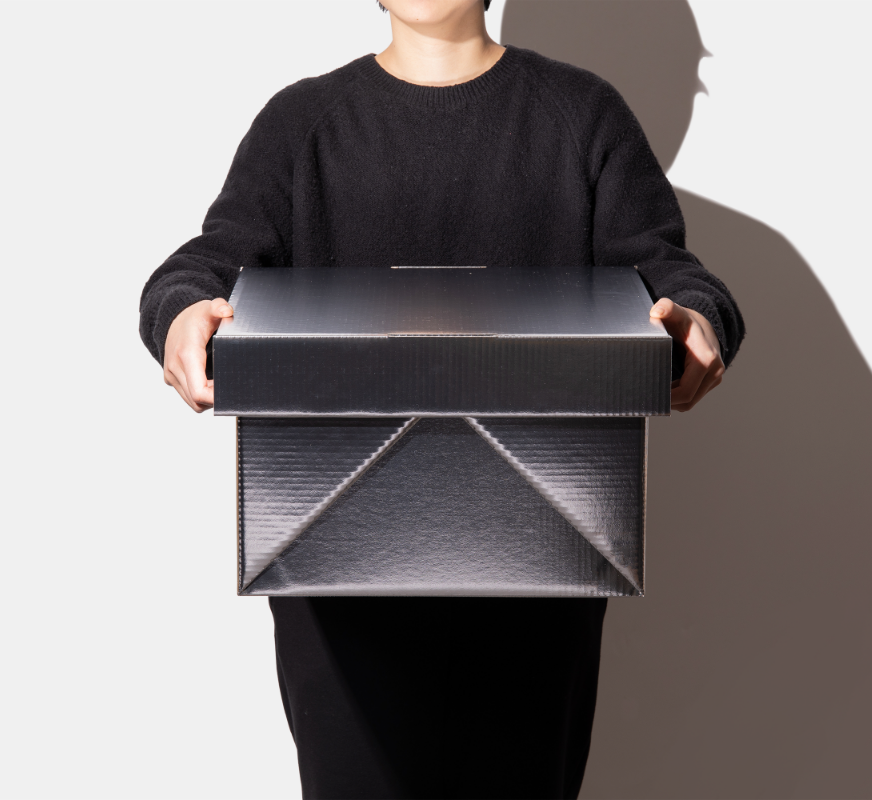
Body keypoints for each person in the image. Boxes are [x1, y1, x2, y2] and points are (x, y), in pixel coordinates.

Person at [139, 1, 745, 797]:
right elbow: (206, 265)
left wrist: (697, 321)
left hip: (544, 573)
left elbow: (672, 275)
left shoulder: (583, 116)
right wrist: (183, 311)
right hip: (334, 580)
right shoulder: (301, 124)